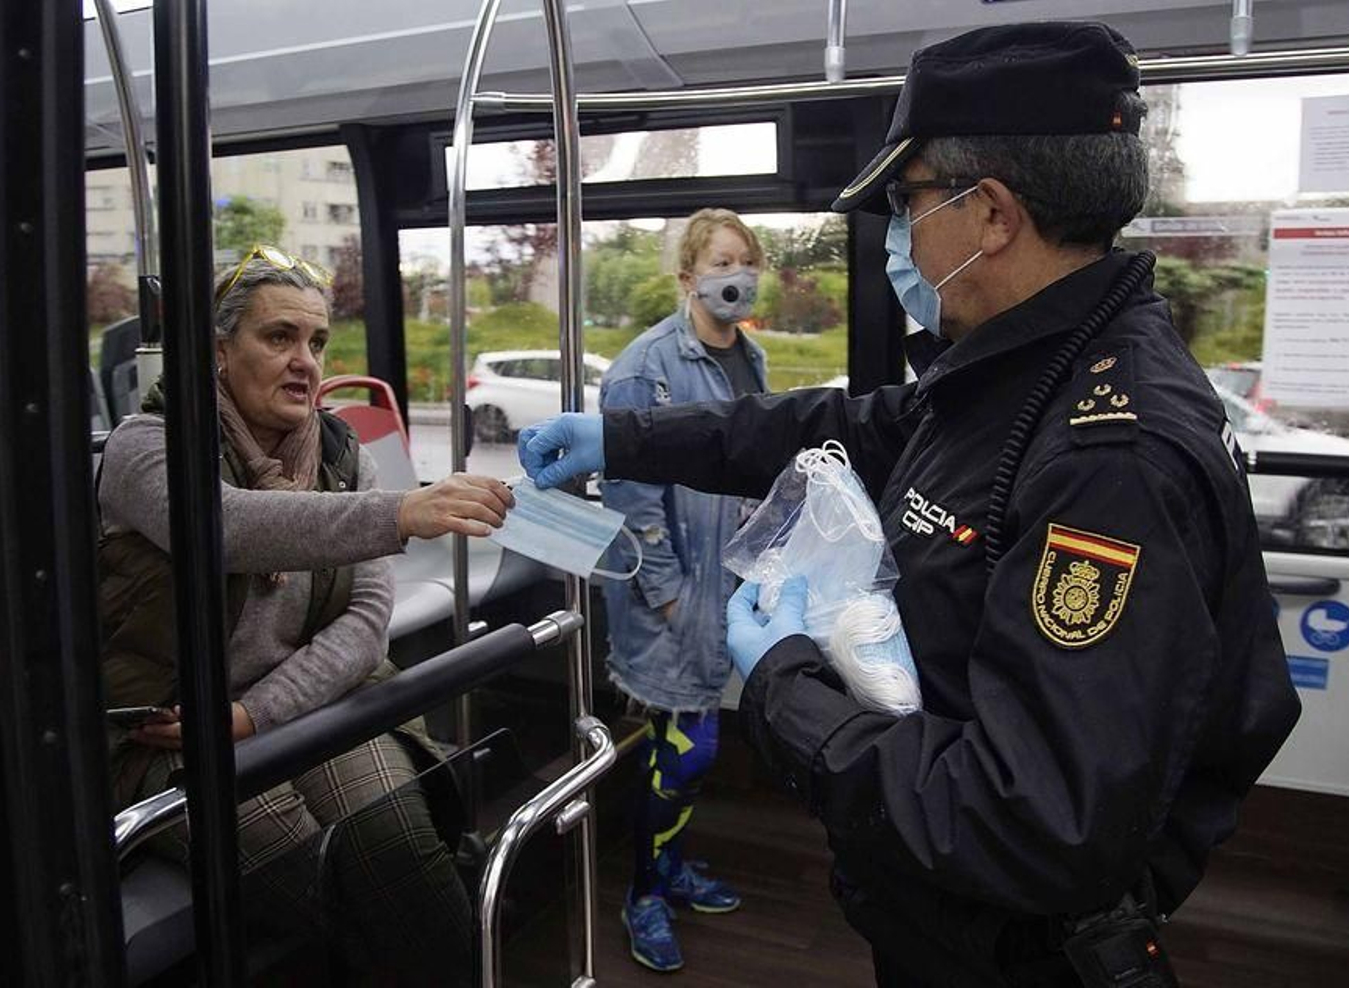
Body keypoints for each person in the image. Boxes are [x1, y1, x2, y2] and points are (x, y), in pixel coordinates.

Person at [517, 23, 1301, 987]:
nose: (899, 234)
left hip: (1012, 950)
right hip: (943, 912)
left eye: (907, 200)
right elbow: (832, 424)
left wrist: (789, 686)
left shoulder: (1111, 455)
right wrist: (628, 438)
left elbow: (1029, 818)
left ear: (993, 216)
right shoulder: (1023, 376)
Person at [98, 245, 514, 983]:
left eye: (317, 342)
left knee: (400, 853)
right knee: (324, 884)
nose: (305, 361)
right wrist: (401, 512)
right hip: (172, 737)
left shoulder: (338, 458)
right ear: (218, 350)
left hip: (300, 707)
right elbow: (223, 528)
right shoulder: (146, 449)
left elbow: (364, 620)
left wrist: (252, 714)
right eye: (278, 337)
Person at [598, 209, 769, 972]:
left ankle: (666, 868)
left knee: (692, 751)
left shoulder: (751, 359)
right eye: (723, 262)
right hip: (670, 596)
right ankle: (643, 894)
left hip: (723, 582)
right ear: (687, 276)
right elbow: (632, 498)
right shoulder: (646, 366)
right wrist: (669, 595)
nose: (737, 276)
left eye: (747, 262)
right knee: (687, 750)